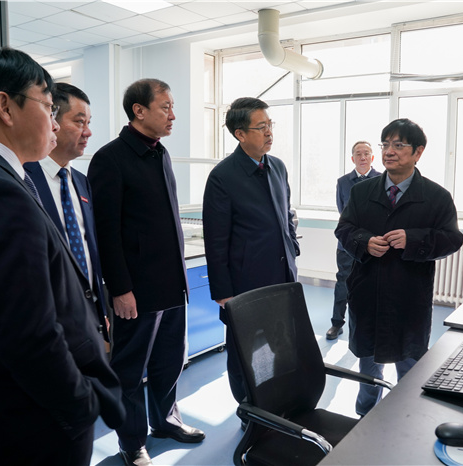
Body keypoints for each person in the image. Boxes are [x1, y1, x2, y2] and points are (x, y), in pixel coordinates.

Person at [0, 43, 125, 465]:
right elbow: (28, 336)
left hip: (2, 413)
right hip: (34, 424)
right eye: (48, 106)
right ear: (5, 107)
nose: (54, 122)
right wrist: (81, 406)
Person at [87, 78, 204, 466]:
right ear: (139, 111)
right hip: (137, 290)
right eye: (165, 107)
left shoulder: (161, 154)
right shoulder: (110, 159)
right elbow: (105, 232)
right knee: (130, 369)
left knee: (170, 360)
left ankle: (166, 421)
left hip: (171, 284)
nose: (173, 115)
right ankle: (132, 440)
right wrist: (120, 288)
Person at [335, 118, 463, 417]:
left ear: (418, 152)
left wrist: (414, 239)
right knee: (368, 369)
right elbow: (344, 229)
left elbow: (452, 239)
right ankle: (365, 418)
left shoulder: (437, 197)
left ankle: (406, 422)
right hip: (368, 292)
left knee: (411, 368)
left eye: (399, 145)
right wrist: (364, 241)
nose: (389, 151)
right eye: (386, 144)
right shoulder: (362, 192)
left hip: (409, 296)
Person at [202, 97, 300, 407]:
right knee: (245, 354)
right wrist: (223, 293)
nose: (269, 132)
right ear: (240, 134)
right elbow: (215, 240)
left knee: (284, 347)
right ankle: (249, 412)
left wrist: (292, 247)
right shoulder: (223, 176)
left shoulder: (277, 167)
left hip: (283, 278)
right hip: (246, 285)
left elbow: (286, 214)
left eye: (270, 125)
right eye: (261, 127)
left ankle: (281, 406)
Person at [24, 83, 110, 344]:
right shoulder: (24, 179)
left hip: (89, 316)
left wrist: (101, 309)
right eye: (79, 122)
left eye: (89, 123)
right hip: (49, 320)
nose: (88, 132)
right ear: (53, 121)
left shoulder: (81, 182)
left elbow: (89, 247)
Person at [326, 141, 381, 341]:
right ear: (352, 158)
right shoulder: (343, 182)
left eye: (366, 153)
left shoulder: (383, 180)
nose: (363, 157)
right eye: (358, 154)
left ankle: (369, 325)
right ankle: (337, 323)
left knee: (372, 285)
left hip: (374, 244)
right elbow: (343, 211)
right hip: (347, 244)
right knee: (343, 282)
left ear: (372, 157)